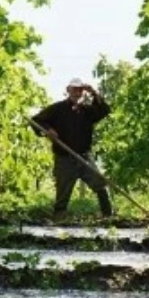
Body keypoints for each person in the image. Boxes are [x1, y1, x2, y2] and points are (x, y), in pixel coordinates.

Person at [31, 78, 114, 218]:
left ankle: (108, 216)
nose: (77, 92)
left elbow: (104, 109)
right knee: (63, 191)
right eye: (74, 89)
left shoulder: (87, 111)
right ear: (68, 90)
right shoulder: (57, 109)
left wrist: (93, 92)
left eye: (80, 90)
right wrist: (48, 130)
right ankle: (59, 217)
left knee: (100, 184)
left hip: (84, 157)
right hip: (64, 158)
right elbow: (36, 120)